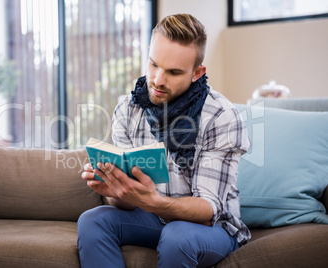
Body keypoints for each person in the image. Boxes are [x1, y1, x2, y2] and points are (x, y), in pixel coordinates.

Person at [78, 13, 250, 268]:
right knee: (92, 221)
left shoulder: (221, 116)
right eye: (153, 64)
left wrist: (154, 202)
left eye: (173, 72)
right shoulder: (128, 109)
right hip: (153, 217)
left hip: (213, 228)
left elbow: (209, 209)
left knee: (177, 236)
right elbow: (127, 201)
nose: (158, 80)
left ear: (196, 72)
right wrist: (116, 190)